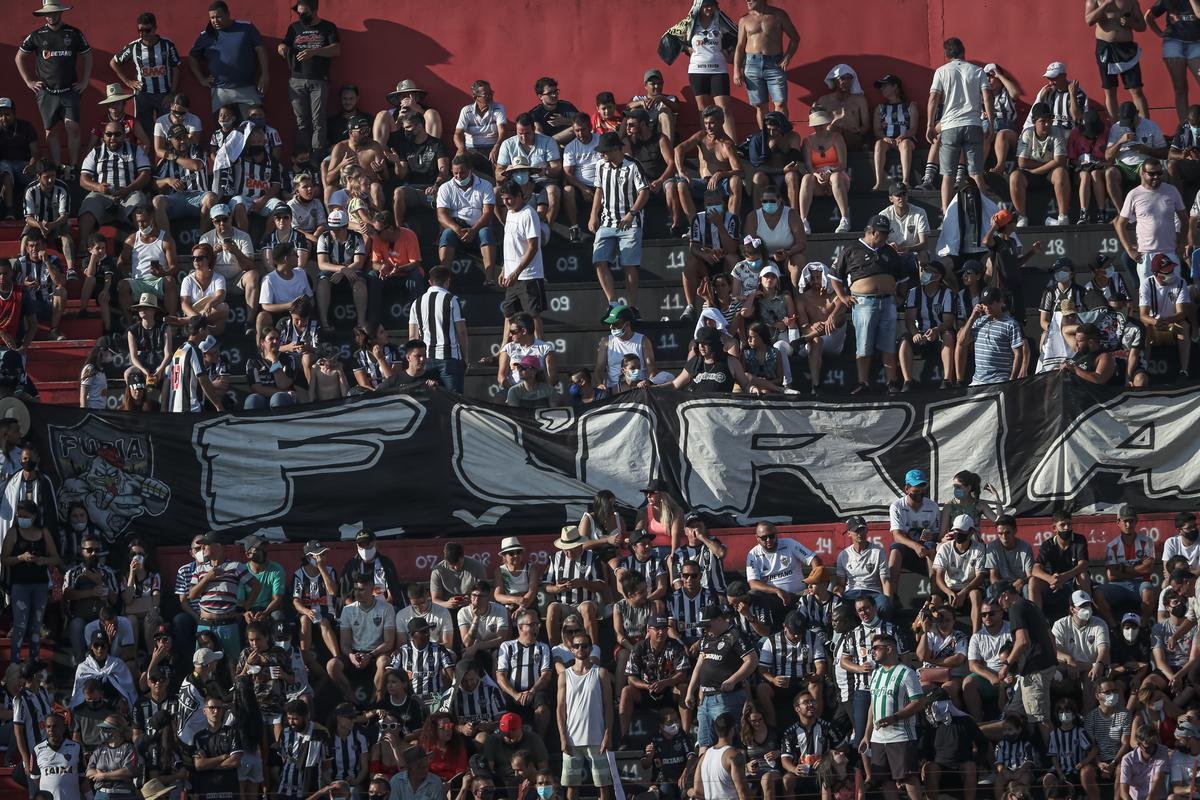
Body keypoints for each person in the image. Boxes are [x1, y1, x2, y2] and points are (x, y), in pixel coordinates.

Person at [829, 215, 905, 395]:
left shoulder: (889, 251)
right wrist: (843, 296)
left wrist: (901, 295)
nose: (886, 237)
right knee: (863, 345)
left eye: (887, 233)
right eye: (882, 233)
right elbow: (834, 276)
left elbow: (903, 278)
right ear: (871, 231)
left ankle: (892, 382)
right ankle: (863, 382)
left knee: (888, 345)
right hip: (863, 302)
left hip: (888, 301)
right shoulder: (851, 249)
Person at [16, 2, 91, 173]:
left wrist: (85, 82)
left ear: (60, 13)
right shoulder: (36, 35)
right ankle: (57, 166)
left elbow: (88, 56)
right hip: (46, 92)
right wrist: (29, 81)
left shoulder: (73, 33)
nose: (50, 16)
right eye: (47, 13)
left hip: (69, 91)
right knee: (51, 131)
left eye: (53, 13)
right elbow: (19, 57)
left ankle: (72, 167)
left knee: (73, 127)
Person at [927, 37, 993, 212]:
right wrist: (991, 124)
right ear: (963, 51)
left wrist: (929, 125)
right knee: (976, 173)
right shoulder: (977, 71)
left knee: (947, 175)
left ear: (946, 53)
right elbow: (987, 96)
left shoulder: (941, 72)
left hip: (949, 125)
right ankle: (985, 213)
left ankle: (946, 213)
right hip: (973, 124)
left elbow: (933, 98)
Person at [859, 632, 924, 800]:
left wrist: (894, 717)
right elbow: (872, 705)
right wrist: (867, 735)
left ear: (889, 649)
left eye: (876, 648)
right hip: (878, 738)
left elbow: (918, 702)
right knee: (885, 781)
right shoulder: (875, 673)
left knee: (908, 777)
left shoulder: (907, 673)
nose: (872, 652)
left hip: (901, 736)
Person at [590, 131, 650, 312]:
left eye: (605, 151)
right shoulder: (601, 165)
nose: (602, 155)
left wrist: (632, 213)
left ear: (616, 149)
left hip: (630, 222)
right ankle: (613, 303)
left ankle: (632, 306)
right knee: (598, 260)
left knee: (629, 265)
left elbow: (644, 192)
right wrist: (593, 214)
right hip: (607, 221)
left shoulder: (633, 165)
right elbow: (599, 190)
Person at [992, 581, 1059, 741]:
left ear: (1005, 595)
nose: (1000, 607)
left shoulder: (1015, 607)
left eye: (998, 602)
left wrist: (1006, 665)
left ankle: (1058, 762)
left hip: (1034, 670)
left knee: (1041, 719)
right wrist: (1053, 660)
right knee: (1015, 712)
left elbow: (1022, 641)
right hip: (1040, 668)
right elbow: (1051, 636)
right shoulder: (1030, 604)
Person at [76, 121, 152, 258]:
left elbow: (145, 175)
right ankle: (82, 248)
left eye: (117, 134)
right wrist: (97, 187)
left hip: (128, 192)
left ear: (124, 135)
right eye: (108, 134)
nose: (112, 138)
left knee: (140, 204)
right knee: (88, 207)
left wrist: (128, 189)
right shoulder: (96, 152)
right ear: (103, 136)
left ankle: (147, 245)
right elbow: (83, 179)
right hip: (102, 194)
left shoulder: (135, 150)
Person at [557, 630, 614, 800]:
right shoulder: (564, 676)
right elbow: (560, 708)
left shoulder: (601, 673)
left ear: (591, 648)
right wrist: (562, 737)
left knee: (603, 788)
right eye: (576, 645)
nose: (580, 648)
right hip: (571, 740)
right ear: (571, 649)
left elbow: (608, 707)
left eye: (584, 645)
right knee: (572, 788)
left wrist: (607, 735)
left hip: (597, 740)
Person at [279, 0, 340, 157]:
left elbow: (336, 49)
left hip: (319, 79)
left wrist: (314, 52)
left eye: (304, 13)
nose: (301, 16)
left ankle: (317, 156)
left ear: (314, 10)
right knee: (301, 121)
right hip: (296, 79)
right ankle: (303, 156)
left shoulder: (328, 27)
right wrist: (282, 47)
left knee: (318, 120)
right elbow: (284, 43)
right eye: (299, 13)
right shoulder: (294, 27)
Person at [188, 0, 268, 115]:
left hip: (246, 88)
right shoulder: (206, 35)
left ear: (228, 14)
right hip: (221, 91)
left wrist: (265, 74)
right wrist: (202, 79)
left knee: (253, 128)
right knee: (223, 130)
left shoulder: (246, 28)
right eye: (212, 18)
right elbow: (192, 58)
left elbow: (260, 49)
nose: (215, 21)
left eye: (218, 17)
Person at [110, 12, 180, 138]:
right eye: (140, 30)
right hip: (143, 96)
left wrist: (172, 93)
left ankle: (166, 157)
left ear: (155, 28)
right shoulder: (134, 46)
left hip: (164, 95)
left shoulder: (167, 45)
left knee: (167, 131)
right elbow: (114, 62)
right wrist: (127, 81)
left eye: (147, 30)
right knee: (144, 133)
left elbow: (176, 69)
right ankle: (146, 158)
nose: (143, 33)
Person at [1116, 158, 1186, 283]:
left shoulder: (1172, 191)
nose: (1156, 177)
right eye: (1151, 173)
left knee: (1174, 295)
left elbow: (1185, 220)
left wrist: (1181, 243)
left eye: (1159, 173)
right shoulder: (1134, 194)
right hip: (1146, 255)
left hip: (1170, 252)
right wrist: (1129, 250)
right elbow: (1120, 224)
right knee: (1148, 298)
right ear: (1142, 173)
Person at [732, 0, 798, 128]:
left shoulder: (778, 15)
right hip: (752, 64)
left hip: (775, 63)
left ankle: (781, 136)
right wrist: (736, 70)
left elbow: (795, 38)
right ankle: (765, 139)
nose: (748, 1)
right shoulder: (745, 19)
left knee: (780, 103)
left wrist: (787, 57)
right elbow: (740, 46)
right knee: (760, 106)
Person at [1086, 0, 1150, 120]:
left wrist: (1131, 23)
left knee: (1136, 90)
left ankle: (1146, 129)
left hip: (1127, 49)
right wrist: (1104, 6)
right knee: (1110, 90)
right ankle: (1114, 127)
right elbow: (1089, 20)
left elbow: (1142, 26)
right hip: (1105, 48)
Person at [436, 155, 498, 277]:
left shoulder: (486, 185)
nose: (459, 176)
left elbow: (488, 212)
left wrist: (473, 230)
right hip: (456, 230)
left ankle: (490, 277)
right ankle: (444, 279)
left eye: (462, 173)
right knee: (446, 234)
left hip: (478, 229)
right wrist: (457, 229)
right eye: (455, 173)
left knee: (486, 232)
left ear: (470, 170)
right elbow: (441, 215)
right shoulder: (445, 188)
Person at [683, 0, 737, 141]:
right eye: (705, 5)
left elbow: (735, 35)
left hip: (718, 70)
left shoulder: (721, 21)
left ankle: (732, 146)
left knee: (724, 109)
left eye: (711, 5)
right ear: (698, 7)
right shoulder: (691, 23)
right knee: (704, 111)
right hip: (697, 71)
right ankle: (709, 146)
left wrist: (729, 51)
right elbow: (677, 39)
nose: (708, 8)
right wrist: (686, 48)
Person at [1010, 103, 1072, 226]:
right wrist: (1048, 164)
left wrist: (1037, 170)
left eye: (1049, 121)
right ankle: (1021, 217)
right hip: (1032, 173)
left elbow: (1060, 160)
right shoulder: (1027, 133)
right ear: (1034, 121)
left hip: (1049, 173)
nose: (1047, 124)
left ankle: (1063, 217)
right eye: (1042, 121)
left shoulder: (1057, 132)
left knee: (1061, 173)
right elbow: (1022, 162)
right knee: (1014, 177)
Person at [797, 106, 852, 234]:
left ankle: (845, 218)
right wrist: (817, 175)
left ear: (826, 122)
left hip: (837, 176)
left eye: (821, 124)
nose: (819, 127)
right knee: (806, 178)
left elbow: (843, 164)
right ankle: (803, 220)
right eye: (816, 125)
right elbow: (809, 166)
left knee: (835, 177)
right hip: (818, 179)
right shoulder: (807, 141)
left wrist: (830, 172)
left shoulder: (836, 137)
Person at [1138, 252, 1192, 380]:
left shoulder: (1180, 282)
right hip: (1154, 326)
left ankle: (1184, 370)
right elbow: (1143, 315)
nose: (1171, 273)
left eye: (1172, 269)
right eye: (1167, 271)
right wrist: (1155, 322)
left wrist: (1167, 320)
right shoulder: (1146, 285)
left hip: (1172, 324)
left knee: (1184, 326)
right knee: (1144, 326)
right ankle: (1144, 368)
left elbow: (1181, 313)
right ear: (1157, 273)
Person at [1105, 103, 1169, 211]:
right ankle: (1122, 213)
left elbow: (1165, 153)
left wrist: (1145, 150)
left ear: (1137, 113)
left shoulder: (1151, 126)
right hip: (1123, 165)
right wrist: (1120, 141)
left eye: (1131, 121)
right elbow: (1108, 156)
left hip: (1143, 162)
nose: (1129, 125)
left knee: (1147, 172)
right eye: (1125, 122)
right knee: (1109, 173)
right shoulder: (1116, 127)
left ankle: (1146, 210)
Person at [959, 286, 1027, 385]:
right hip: (977, 381)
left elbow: (1018, 353)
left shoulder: (1011, 324)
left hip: (1000, 380)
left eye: (990, 303)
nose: (987, 307)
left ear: (1000, 302)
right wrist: (972, 317)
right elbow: (962, 342)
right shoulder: (978, 322)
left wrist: (1012, 381)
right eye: (984, 304)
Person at [872, 75, 920, 190]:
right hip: (887, 140)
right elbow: (877, 130)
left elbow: (913, 128)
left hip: (905, 139)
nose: (882, 89)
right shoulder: (880, 108)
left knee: (905, 144)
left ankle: (906, 181)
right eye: (881, 87)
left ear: (895, 87)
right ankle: (879, 182)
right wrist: (883, 137)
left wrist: (903, 136)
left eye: (885, 86)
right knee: (879, 144)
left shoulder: (910, 106)